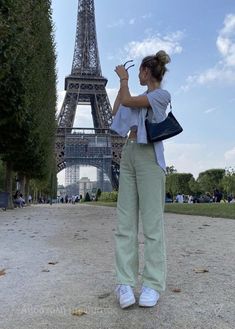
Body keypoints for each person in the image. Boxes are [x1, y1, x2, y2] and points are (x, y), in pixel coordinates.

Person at [111, 50, 171, 309]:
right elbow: (116, 110)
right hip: (129, 153)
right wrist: (121, 85)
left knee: (152, 224)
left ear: (147, 72)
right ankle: (124, 281)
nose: (136, 76)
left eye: (139, 73)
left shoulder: (159, 96)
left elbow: (130, 101)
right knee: (124, 223)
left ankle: (153, 283)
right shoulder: (133, 96)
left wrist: (123, 80)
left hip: (149, 156)